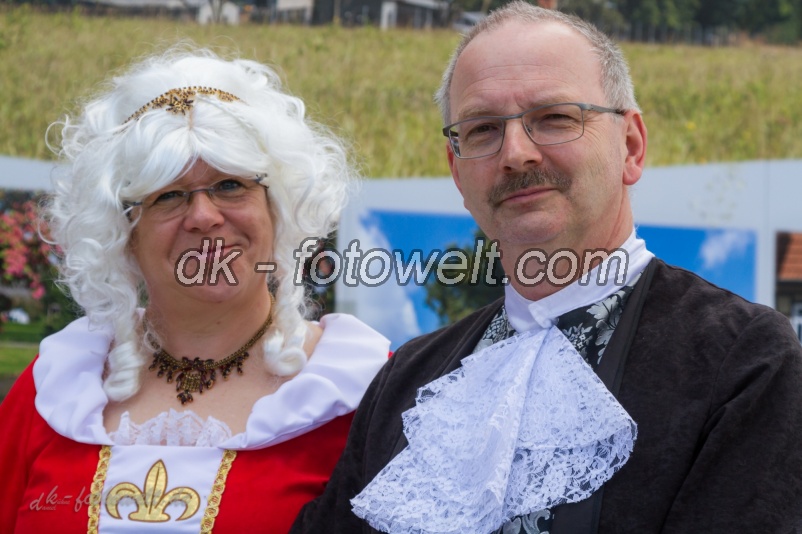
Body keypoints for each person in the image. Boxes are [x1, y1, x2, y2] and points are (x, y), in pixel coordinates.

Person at [292, 3, 802, 533]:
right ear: (457, 171)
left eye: (555, 118)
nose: (515, 153)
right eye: (483, 129)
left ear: (631, 146)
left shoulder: (742, 357)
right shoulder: (410, 377)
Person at [0, 48, 390, 532]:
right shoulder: (53, 389)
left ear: (278, 209)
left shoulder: (369, 395)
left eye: (230, 185)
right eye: (168, 195)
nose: (204, 216)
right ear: (125, 231)